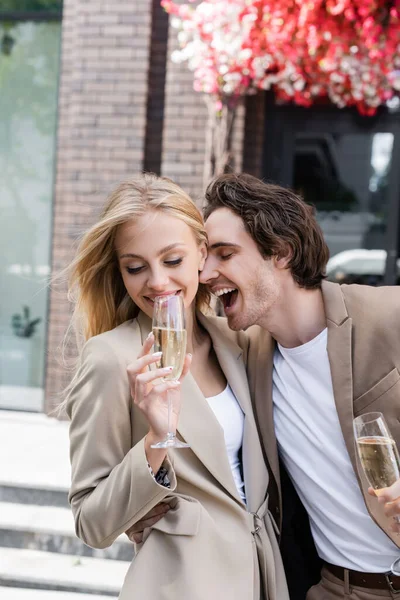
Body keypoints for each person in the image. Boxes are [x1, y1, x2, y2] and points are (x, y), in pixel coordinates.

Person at [64, 173, 288, 600]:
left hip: (265, 579)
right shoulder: (111, 359)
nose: (157, 282)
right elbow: (91, 523)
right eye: (135, 267)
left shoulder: (240, 342)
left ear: (201, 254)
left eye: (172, 260)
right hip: (182, 585)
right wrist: (153, 443)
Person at [199, 172, 400, 600]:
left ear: (283, 252)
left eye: (224, 254)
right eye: (203, 256)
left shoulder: (390, 315)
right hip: (335, 587)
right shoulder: (244, 357)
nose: (205, 273)